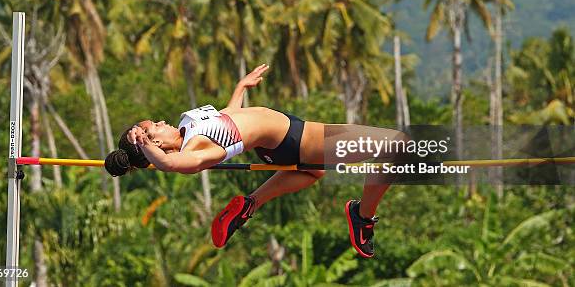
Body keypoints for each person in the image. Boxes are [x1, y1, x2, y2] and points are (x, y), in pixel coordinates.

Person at [105, 64, 408, 258]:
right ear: (154, 143)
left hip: (277, 145)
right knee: (397, 143)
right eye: (153, 127)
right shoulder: (196, 148)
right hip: (297, 137)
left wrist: (240, 88)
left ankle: (251, 203)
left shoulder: (189, 124)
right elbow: (171, 165)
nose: (159, 121)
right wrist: (144, 145)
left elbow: (227, 116)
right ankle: (362, 217)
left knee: (312, 174)